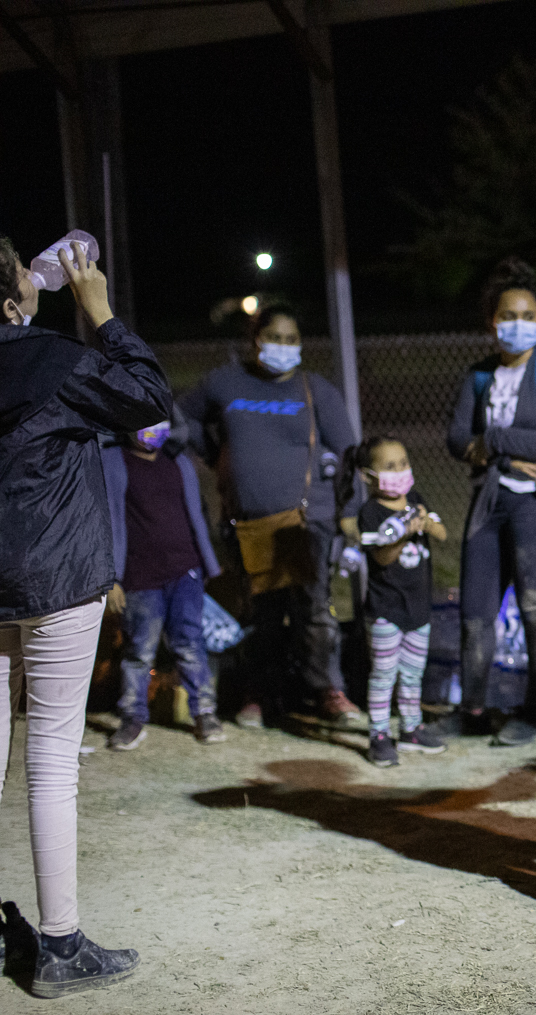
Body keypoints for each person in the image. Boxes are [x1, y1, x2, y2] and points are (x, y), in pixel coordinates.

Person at [1, 235, 163, 996]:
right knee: (51, 758)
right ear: (11, 303)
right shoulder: (51, 359)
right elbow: (147, 399)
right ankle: (61, 944)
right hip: (58, 576)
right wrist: (98, 309)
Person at [180, 302, 360, 729]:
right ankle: (259, 694)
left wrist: (349, 510)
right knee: (259, 612)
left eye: (291, 339)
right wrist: (216, 456)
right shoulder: (225, 382)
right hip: (247, 524)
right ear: (254, 339)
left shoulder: (315, 390)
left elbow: (351, 456)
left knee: (313, 610)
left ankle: (326, 691)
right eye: (273, 337)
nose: (282, 346)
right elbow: (181, 416)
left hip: (306, 520)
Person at [443, 259, 536, 746]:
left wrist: (495, 441)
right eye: (507, 315)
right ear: (491, 322)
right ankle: (472, 710)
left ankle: (535, 710)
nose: (517, 324)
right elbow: (457, 439)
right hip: (489, 504)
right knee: (475, 612)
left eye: (528, 316)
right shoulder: (479, 375)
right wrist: (513, 456)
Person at [101, 413, 226, 749]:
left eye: (160, 421)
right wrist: (112, 578)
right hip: (139, 577)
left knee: (190, 644)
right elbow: (106, 520)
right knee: (139, 651)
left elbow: (195, 516)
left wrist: (207, 565)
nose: (152, 430)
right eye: (144, 420)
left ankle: (206, 713)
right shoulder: (111, 461)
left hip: (185, 571)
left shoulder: (178, 461)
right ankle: (133, 718)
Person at [348, 436, 450, 767]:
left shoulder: (416, 499)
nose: (400, 471)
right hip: (385, 611)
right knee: (383, 674)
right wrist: (404, 532)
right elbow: (382, 558)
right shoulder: (370, 513)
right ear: (368, 476)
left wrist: (426, 521)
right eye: (389, 467)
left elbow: (442, 534)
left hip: (418, 609)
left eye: (403, 463)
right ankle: (378, 734)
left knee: (412, 673)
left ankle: (410, 729)